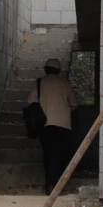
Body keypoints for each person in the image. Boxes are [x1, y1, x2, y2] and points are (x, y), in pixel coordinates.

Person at [27, 58, 77, 195]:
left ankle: (49, 183)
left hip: (45, 126)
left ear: (45, 69)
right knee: (60, 155)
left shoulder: (39, 83)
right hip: (63, 125)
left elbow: (31, 101)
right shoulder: (64, 84)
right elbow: (74, 104)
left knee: (47, 155)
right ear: (59, 71)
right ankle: (57, 184)